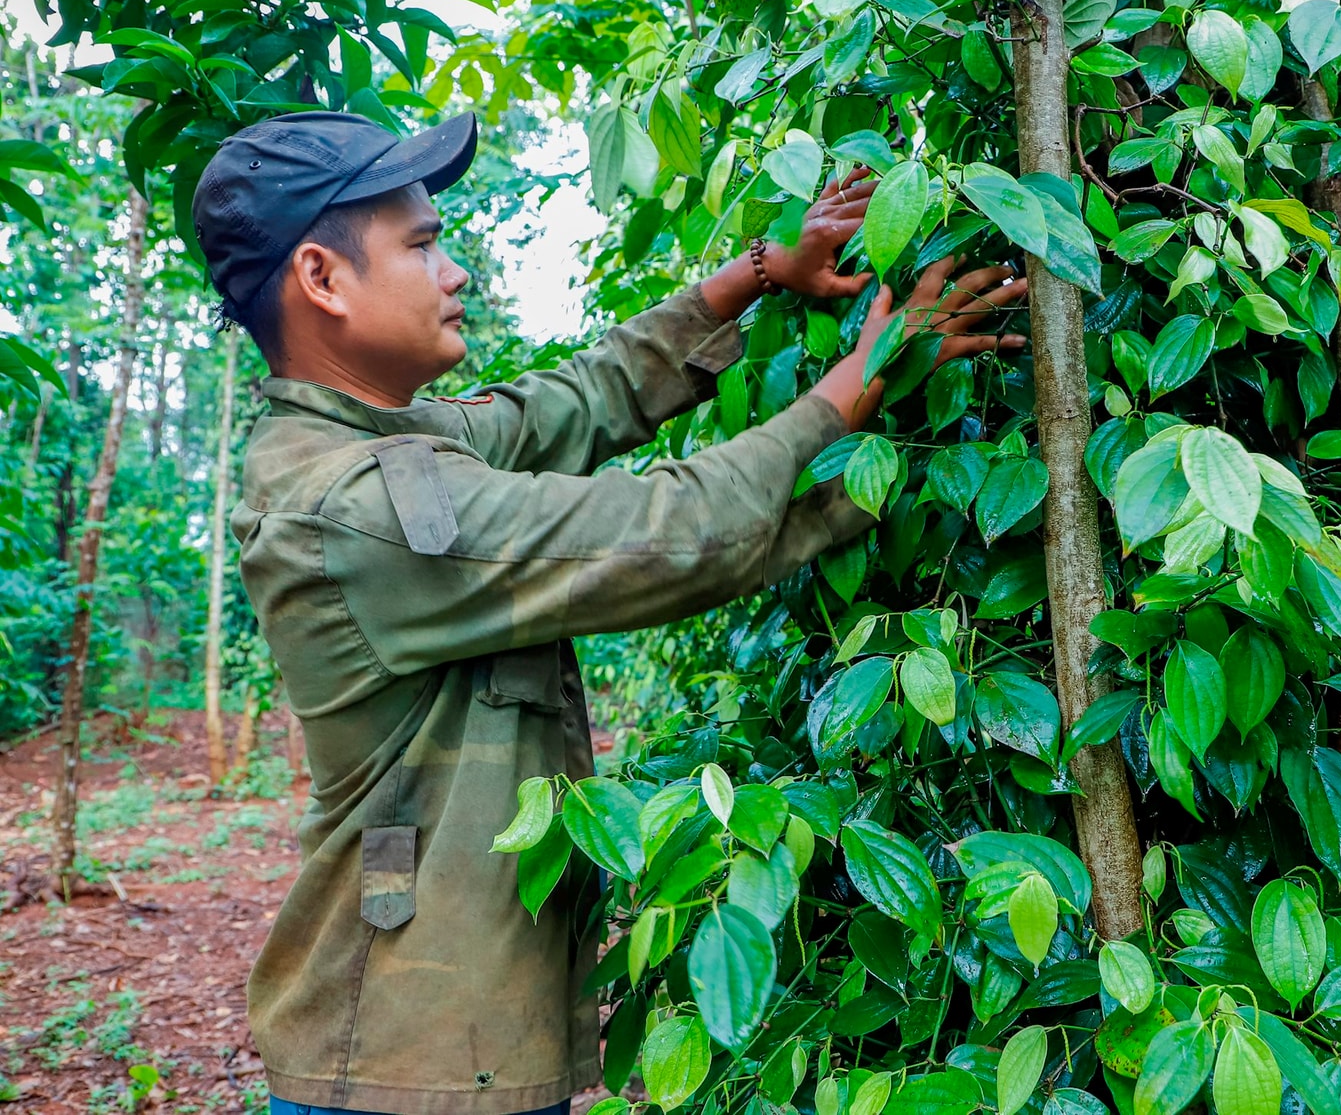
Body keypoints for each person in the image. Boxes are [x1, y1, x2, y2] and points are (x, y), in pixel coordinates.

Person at [189, 110, 1027, 1115]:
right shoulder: (354, 508)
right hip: (401, 1065)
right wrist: (859, 387)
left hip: (450, 1036)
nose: (454, 271)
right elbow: (675, 533)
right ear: (322, 279)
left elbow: (580, 398)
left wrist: (761, 273)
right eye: (420, 244)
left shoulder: (390, 441)